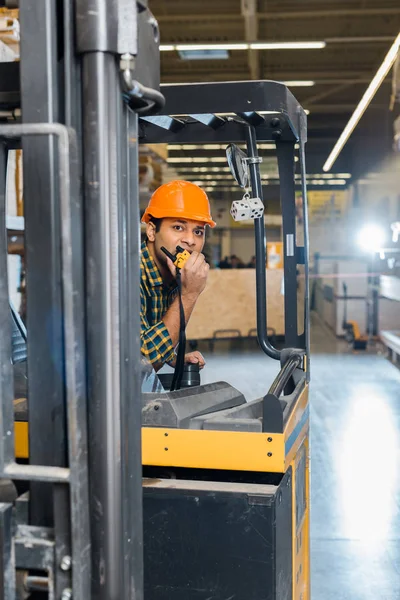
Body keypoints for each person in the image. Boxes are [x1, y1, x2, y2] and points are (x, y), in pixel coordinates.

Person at [140, 180, 216, 372]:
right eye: (178, 227)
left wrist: (171, 357)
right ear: (151, 231)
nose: (190, 240)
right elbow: (139, 366)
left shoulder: (170, 273)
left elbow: (146, 336)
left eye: (198, 231)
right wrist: (188, 296)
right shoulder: (129, 276)